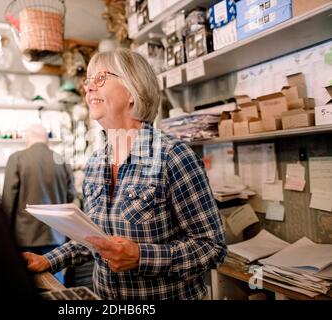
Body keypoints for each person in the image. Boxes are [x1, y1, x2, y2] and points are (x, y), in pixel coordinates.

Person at [22, 48, 227, 299]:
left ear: (132, 90)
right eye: (87, 81)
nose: (88, 88)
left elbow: (212, 248)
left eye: (100, 79)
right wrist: (48, 261)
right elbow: (94, 238)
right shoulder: (96, 163)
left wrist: (141, 257)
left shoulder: (173, 157)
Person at [2, 124, 76, 283]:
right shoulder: (61, 160)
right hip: (56, 234)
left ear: (27, 138)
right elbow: (71, 196)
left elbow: (8, 201)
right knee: (55, 283)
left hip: (25, 236)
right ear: (47, 140)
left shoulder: (17, 158)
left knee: (27, 282)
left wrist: (4, 235)